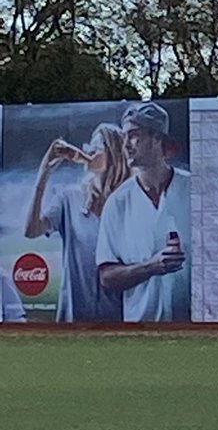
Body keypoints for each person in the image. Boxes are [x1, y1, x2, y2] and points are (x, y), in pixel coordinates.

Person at [96, 102, 191, 323]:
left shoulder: (194, 191)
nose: (126, 145)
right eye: (124, 138)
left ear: (157, 138)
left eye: (134, 136)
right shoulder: (118, 203)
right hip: (141, 332)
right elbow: (107, 277)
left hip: (195, 331)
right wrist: (151, 266)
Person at [24, 124, 129, 323]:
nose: (88, 150)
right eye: (89, 144)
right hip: (73, 319)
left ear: (115, 154)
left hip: (117, 319)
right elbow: (31, 230)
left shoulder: (128, 202)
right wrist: (44, 173)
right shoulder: (69, 198)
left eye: (97, 146)